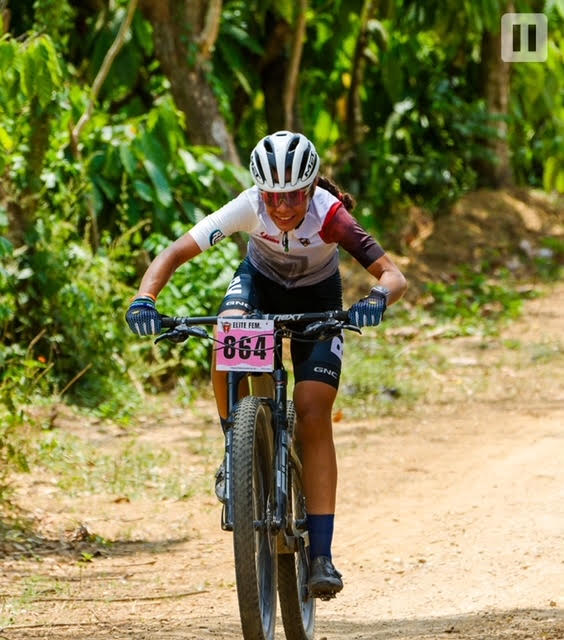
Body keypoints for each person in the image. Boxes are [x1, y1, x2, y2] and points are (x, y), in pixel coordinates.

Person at [126, 130, 407, 598]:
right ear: (260, 191)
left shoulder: (330, 215)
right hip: (258, 283)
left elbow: (393, 275)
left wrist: (376, 299)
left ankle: (321, 556)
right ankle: (237, 447)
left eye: (293, 195)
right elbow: (175, 252)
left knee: (314, 411)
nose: (281, 207)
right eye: (272, 197)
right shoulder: (247, 205)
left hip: (319, 297)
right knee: (228, 330)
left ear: (311, 187)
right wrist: (144, 298)